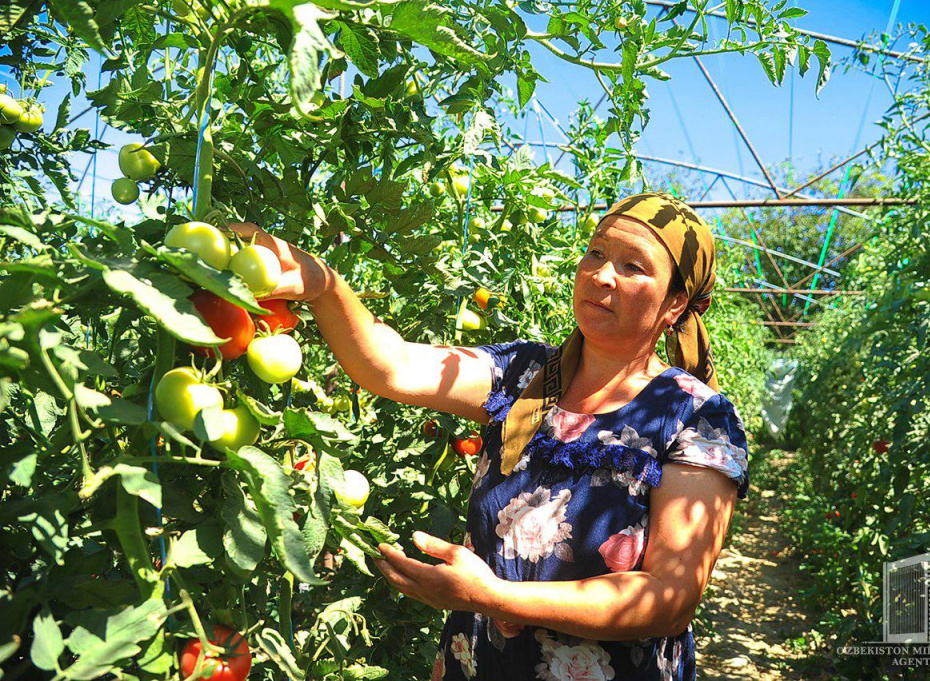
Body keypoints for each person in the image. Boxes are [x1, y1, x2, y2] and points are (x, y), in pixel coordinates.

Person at [228, 190, 749, 680]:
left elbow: (668, 598)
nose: (601, 275)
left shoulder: (694, 416)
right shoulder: (525, 374)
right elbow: (393, 366)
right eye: (595, 253)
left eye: (631, 266)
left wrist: (492, 597)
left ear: (676, 305)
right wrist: (324, 284)